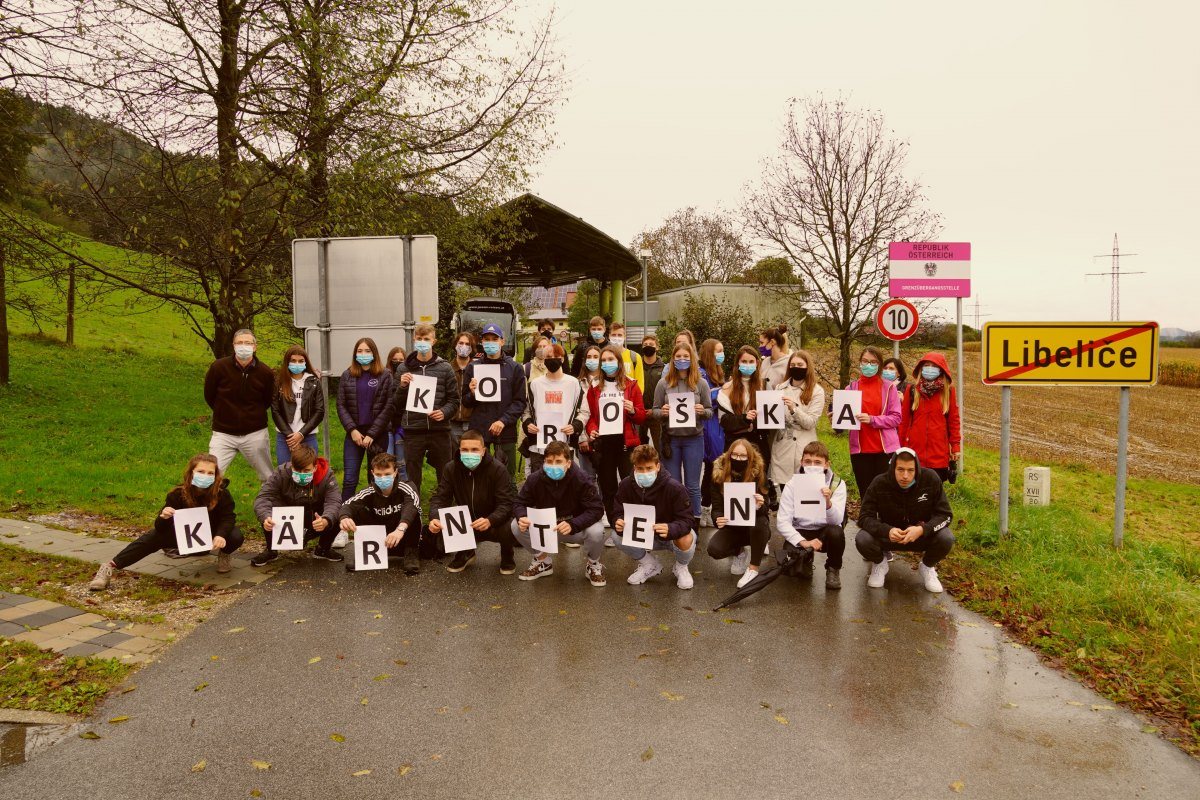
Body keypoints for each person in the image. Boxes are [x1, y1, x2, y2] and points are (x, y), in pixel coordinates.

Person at [88, 454, 243, 590]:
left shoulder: (222, 494)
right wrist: (163, 516)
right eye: (201, 471)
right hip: (185, 534)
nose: (205, 475)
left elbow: (228, 517)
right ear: (191, 473)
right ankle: (110, 566)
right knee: (152, 537)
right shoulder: (177, 494)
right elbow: (160, 528)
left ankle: (224, 554)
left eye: (210, 473)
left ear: (216, 476)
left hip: (212, 533)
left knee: (235, 536)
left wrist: (221, 535)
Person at [855, 448, 954, 593]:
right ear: (892, 468)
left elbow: (946, 515)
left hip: (920, 536)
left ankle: (927, 566)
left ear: (917, 469)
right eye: (900, 469)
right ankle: (880, 563)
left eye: (910, 470)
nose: (905, 476)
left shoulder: (931, 479)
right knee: (862, 539)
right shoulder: (879, 482)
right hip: (889, 537)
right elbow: (864, 518)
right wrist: (887, 530)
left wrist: (922, 529)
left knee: (947, 538)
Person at [510, 441, 607, 586]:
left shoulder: (582, 479)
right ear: (544, 461)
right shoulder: (534, 479)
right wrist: (521, 515)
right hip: (547, 529)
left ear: (568, 463)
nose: (553, 466)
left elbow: (597, 509)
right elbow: (519, 503)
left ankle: (593, 564)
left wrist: (574, 524)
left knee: (597, 531)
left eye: (558, 461)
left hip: (574, 527)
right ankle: (542, 561)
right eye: (549, 461)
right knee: (516, 525)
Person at [427, 429, 518, 574]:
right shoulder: (450, 468)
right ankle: (466, 552)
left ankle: (507, 554)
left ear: (483, 451)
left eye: (474, 449)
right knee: (442, 521)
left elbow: (506, 504)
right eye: (465, 450)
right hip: (466, 520)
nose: (469, 453)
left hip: (493, 520)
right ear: (460, 450)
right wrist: (434, 518)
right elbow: (441, 498)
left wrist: (490, 520)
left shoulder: (498, 469)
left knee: (510, 524)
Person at [612, 444, 696, 589]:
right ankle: (649, 564)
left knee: (686, 537)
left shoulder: (674, 487)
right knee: (616, 536)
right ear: (634, 468)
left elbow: (688, 520)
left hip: (670, 537)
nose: (645, 473)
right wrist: (618, 521)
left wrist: (671, 528)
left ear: (658, 466)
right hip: (643, 535)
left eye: (649, 468)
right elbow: (618, 512)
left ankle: (681, 567)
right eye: (640, 469)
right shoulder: (625, 485)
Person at [390, 323, 459, 497]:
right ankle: (413, 508)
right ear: (414, 340)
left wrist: (444, 412)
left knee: (445, 472)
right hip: (413, 429)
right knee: (413, 474)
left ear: (433, 341)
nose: (422, 342)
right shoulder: (403, 368)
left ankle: (444, 506)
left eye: (426, 339)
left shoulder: (445, 368)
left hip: (440, 429)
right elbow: (395, 404)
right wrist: (402, 386)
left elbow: (454, 400)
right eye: (419, 339)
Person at [651, 342, 712, 531]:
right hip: (671, 439)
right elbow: (653, 410)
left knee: (693, 484)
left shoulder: (700, 383)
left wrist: (703, 411)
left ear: (692, 359)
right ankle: (677, 521)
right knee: (674, 483)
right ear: (673, 359)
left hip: (694, 439)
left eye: (686, 357)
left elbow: (710, 411)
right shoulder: (664, 383)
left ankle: (694, 521)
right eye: (678, 357)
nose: (682, 360)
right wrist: (663, 412)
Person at [584, 345, 647, 527]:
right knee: (608, 487)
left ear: (619, 362)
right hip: (605, 444)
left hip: (626, 443)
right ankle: (615, 525)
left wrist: (632, 410)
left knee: (631, 486)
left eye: (610, 360)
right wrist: (592, 430)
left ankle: (634, 525)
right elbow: (591, 417)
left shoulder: (632, 384)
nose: (606, 363)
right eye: (603, 360)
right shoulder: (595, 387)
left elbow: (642, 416)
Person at [250, 445, 343, 565]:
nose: (301, 474)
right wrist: (265, 517)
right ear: (291, 465)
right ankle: (271, 550)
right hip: (286, 518)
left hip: (314, 518)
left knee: (339, 513)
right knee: (266, 511)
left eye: (306, 471)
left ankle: (323, 549)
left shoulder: (326, 476)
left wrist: (326, 519)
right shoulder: (281, 472)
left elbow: (334, 501)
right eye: (297, 470)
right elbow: (263, 497)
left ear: (315, 468)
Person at [203, 328, 274, 481]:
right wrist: (224, 412)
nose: (243, 346)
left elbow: (268, 400)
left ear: (255, 347)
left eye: (248, 343)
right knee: (210, 475)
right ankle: (208, 504)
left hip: (255, 433)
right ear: (233, 345)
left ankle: (267, 504)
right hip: (223, 434)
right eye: (239, 342)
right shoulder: (218, 367)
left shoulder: (266, 372)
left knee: (267, 477)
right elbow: (209, 395)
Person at [777, 441, 847, 590]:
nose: (812, 466)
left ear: (826, 465)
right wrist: (803, 542)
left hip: (825, 532)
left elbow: (837, 520)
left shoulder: (837, 484)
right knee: (791, 571)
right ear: (802, 462)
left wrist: (828, 503)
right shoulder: (792, 484)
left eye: (818, 462)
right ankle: (806, 559)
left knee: (836, 532)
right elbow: (782, 522)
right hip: (801, 530)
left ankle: (833, 569)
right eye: (808, 462)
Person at [461, 323, 527, 479]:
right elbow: (465, 402)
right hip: (479, 429)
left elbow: (519, 402)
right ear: (482, 342)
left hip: (505, 431)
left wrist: (503, 421)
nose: (490, 342)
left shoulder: (515, 368)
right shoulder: (473, 367)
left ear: (502, 341)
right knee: (478, 475)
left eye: (494, 339)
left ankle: (507, 503)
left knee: (506, 477)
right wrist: (471, 393)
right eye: (487, 339)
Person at [338, 453, 422, 573]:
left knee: (414, 511)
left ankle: (411, 552)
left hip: (402, 534)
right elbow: (347, 504)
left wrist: (400, 529)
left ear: (395, 472)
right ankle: (366, 554)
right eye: (378, 474)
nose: (383, 478)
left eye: (387, 474)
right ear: (372, 473)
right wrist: (344, 517)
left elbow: (412, 504)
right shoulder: (369, 491)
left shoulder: (406, 487)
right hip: (380, 536)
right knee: (357, 511)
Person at [705, 438, 770, 589]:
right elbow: (716, 507)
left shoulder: (758, 472)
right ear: (728, 455)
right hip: (732, 526)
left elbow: (766, 507)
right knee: (714, 549)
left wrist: (761, 504)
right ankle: (740, 552)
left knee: (760, 525)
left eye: (742, 456)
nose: (738, 459)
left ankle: (753, 568)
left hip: (754, 524)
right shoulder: (718, 474)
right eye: (734, 455)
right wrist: (717, 519)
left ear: (750, 457)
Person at [336, 337, 395, 500]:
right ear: (355, 354)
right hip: (354, 435)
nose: (363, 354)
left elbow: (389, 406)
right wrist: (352, 430)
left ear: (374, 353)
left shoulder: (385, 376)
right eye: (360, 351)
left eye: (367, 351)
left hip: (377, 435)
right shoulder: (347, 375)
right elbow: (340, 405)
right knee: (349, 479)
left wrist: (372, 434)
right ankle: (345, 516)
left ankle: (377, 515)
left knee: (377, 479)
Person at [843, 345, 902, 501]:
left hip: (884, 450)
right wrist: (836, 419)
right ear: (860, 363)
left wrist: (872, 419)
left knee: (884, 494)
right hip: (860, 450)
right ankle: (868, 523)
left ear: (880, 365)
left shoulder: (889, 388)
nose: (868, 365)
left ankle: (884, 524)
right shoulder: (850, 388)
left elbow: (896, 418)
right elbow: (843, 421)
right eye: (865, 361)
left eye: (873, 362)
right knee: (866, 493)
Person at [520, 343, 584, 473]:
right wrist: (528, 423)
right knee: (539, 486)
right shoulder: (534, 384)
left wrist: (576, 425)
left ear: (562, 358)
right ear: (543, 359)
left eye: (556, 356)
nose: (552, 358)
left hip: (565, 446)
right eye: (548, 356)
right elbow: (526, 411)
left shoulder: (574, 383)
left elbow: (584, 410)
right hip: (538, 448)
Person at [900, 352, 962, 483]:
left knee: (934, 492)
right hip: (914, 453)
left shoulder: (948, 392)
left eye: (933, 366)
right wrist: (901, 448)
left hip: (939, 454)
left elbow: (953, 421)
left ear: (941, 369)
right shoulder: (912, 390)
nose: (929, 368)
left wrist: (955, 446)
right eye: (926, 365)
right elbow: (903, 422)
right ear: (921, 368)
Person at [769, 349, 825, 492]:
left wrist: (794, 409)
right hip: (783, 445)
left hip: (804, 445)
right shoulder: (780, 388)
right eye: (793, 365)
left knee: (804, 490)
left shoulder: (816, 391)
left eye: (800, 364)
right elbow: (772, 418)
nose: (796, 368)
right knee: (785, 488)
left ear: (807, 367)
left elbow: (810, 423)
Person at [270, 345, 324, 467]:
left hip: (308, 435)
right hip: (285, 437)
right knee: (285, 472)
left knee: (308, 473)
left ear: (306, 362)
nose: (297, 364)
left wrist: (301, 434)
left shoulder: (313, 381)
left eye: (301, 361)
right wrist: (290, 436)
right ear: (287, 362)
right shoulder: (279, 382)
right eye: (293, 361)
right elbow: (275, 410)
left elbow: (319, 411)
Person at [697, 338, 726, 526]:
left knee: (711, 467)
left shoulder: (718, 372)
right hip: (706, 424)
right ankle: (703, 506)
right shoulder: (701, 373)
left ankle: (705, 504)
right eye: (718, 351)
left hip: (717, 423)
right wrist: (724, 390)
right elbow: (706, 398)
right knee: (711, 465)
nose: (721, 354)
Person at [449, 331, 476, 447]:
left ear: (472, 348)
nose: (464, 346)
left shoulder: (478, 368)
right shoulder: (447, 368)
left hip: (473, 421)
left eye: (467, 344)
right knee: (454, 457)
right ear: (455, 345)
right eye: (461, 343)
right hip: (452, 421)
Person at [639, 334, 666, 451]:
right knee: (639, 450)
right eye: (645, 345)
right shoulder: (637, 365)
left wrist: (655, 410)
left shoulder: (664, 368)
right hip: (639, 414)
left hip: (657, 415)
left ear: (657, 347)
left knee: (660, 448)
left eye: (651, 345)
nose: (648, 347)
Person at [385, 346, 408, 470]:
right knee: (387, 461)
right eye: (395, 359)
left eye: (401, 360)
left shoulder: (410, 377)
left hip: (401, 426)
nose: (398, 363)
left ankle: (403, 487)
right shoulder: (384, 376)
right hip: (386, 425)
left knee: (401, 463)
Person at [607, 321, 644, 393]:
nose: (616, 338)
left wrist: (634, 402)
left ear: (625, 336)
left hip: (629, 401)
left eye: (620, 335)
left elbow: (640, 385)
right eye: (613, 335)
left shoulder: (635, 357)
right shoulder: (604, 357)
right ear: (609, 336)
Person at [758, 324, 791, 389]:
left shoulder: (789, 363)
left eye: (762, 343)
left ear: (772, 342)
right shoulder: (765, 361)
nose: (760, 346)